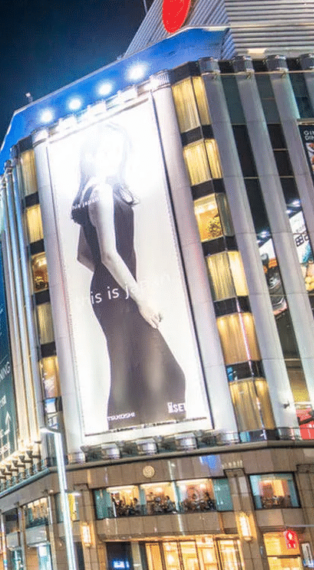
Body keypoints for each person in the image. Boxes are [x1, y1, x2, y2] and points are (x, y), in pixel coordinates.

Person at [70, 121, 186, 431]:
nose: (112, 157)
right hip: (120, 295)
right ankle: (135, 437)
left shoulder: (89, 193)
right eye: (105, 150)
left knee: (128, 370)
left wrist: (110, 281)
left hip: (110, 292)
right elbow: (107, 253)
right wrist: (140, 297)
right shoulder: (103, 192)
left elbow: (84, 254)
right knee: (159, 373)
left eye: (118, 152)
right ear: (90, 154)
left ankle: (127, 435)